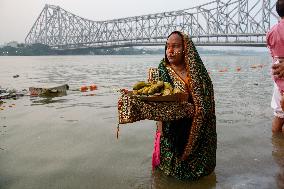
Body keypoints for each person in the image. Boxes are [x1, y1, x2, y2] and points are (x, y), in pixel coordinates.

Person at [150, 31, 216, 180]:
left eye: (175, 46)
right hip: (170, 128)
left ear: (185, 48)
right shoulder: (161, 71)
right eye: (167, 46)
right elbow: (157, 102)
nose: (170, 51)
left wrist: (195, 110)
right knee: (168, 173)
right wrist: (160, 130)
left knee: (197, 176)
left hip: (195, 126)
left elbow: (206, 101)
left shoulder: (198, 74)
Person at [267, 0, 284, 132]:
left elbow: (272, 53)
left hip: (277, 69)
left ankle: (277, 147)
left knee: (279, 113)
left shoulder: (271, 31)